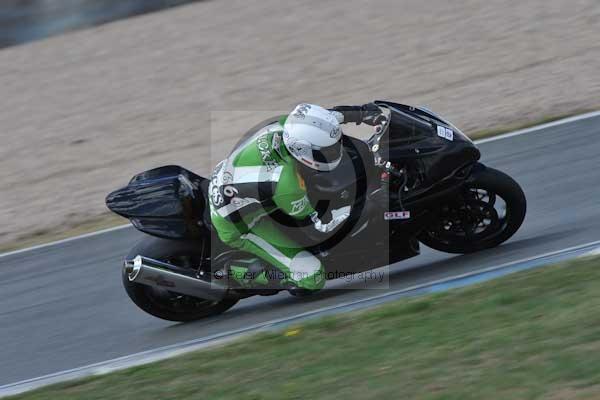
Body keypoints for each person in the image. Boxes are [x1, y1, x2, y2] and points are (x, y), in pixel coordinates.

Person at [209, 103, 385, 294]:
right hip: (241, 226)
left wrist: (363, 113)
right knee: (312, 278)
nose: (336, 151)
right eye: (329, 150)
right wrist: (370, 203)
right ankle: (232, 273)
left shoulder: (289, 127)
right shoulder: (288, 187)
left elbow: (326, 119)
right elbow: (319, 229)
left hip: (232, 181)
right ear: (303, 150)